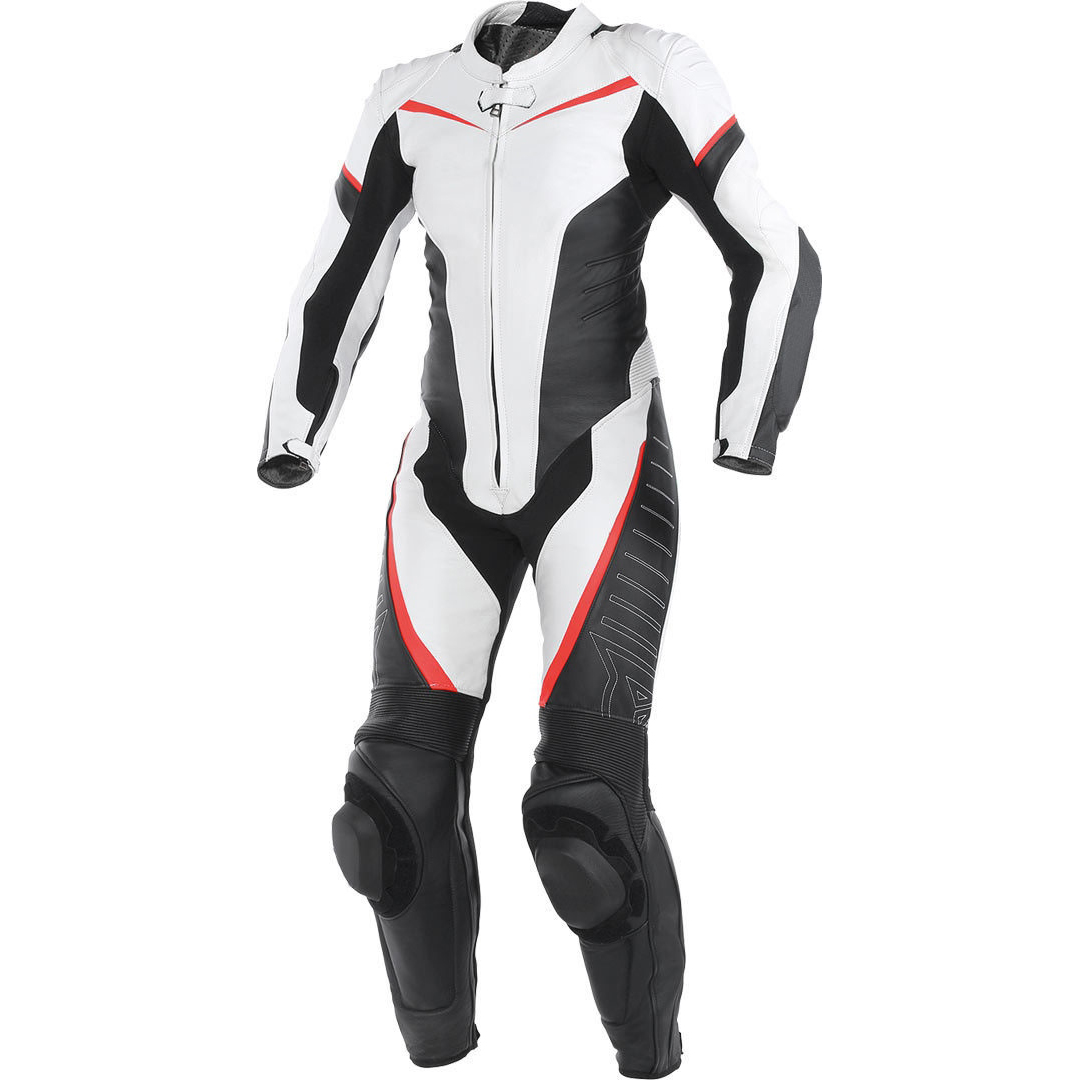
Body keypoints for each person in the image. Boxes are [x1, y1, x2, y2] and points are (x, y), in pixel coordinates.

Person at [259, 5, 821, 1076]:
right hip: (446, 482)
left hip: (600, 474)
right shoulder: (409, 94)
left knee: (586, 821)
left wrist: (746, 424)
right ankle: (438, 1051)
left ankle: (649, 1056)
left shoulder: (643, 69)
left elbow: (775, 251)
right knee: (388, 809)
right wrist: (294, 428)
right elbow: (339, 271)